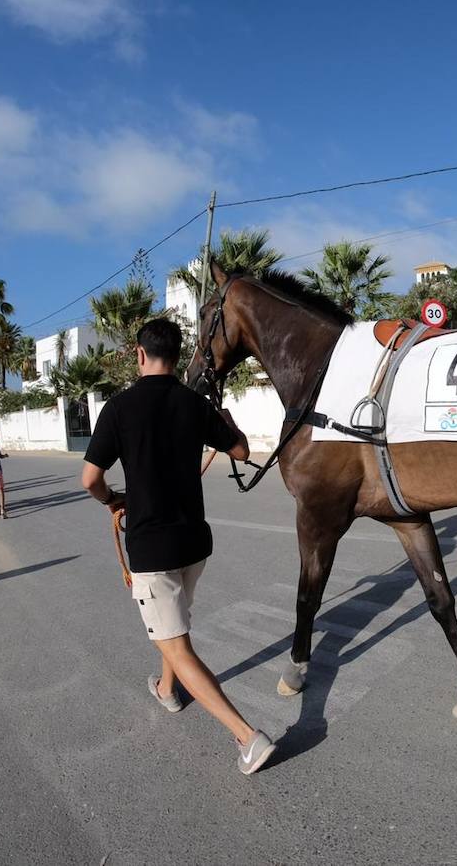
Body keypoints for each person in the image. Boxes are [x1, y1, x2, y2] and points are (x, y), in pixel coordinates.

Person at [79, 317, 277, 775]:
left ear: (139, 354)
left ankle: (248, 738)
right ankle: (167, 690)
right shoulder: (195, 404)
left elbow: (89, 478)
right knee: (171, 627)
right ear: (177, 355)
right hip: (194, 544)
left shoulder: (119, 408)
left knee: (176, 640)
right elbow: (243, 452)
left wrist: (112, 500)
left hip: (153, 548)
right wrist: (226, 422)